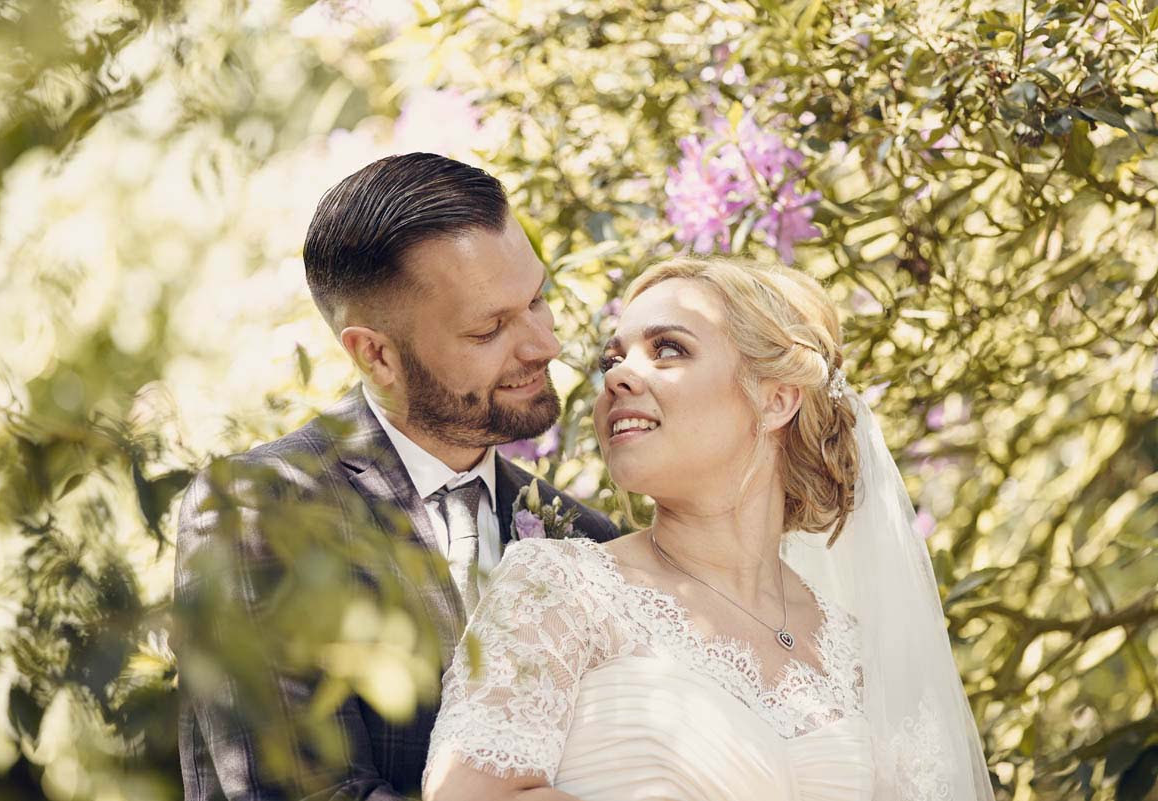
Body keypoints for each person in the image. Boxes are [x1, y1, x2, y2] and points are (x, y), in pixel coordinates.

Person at [423, 256, 995, 800]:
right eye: (611, 361)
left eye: (668, 349)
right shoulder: (558, 590)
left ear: (776, 400)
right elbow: (469, 793)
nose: (619, 377)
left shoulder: (857, 654)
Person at [174, 153, 618, 801]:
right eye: (489, 328)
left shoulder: (591, 541)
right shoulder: (260, 511)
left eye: (536, 300)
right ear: (376, 354)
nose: (543, 344)